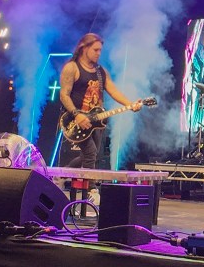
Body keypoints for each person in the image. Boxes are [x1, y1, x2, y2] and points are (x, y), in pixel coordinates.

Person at [59, 33, 142, 170]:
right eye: (95, 50)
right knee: (90, 153)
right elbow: (64, 95)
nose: (99, 53)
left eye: (100, 50)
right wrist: (77, 114)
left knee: (90, 155)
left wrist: (130, 104)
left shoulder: (100, 71)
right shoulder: (72, 68)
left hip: (96, 120)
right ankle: (89, 183)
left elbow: (113, 91)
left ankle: (63, 173)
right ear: (84, 48)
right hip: (75, 120)